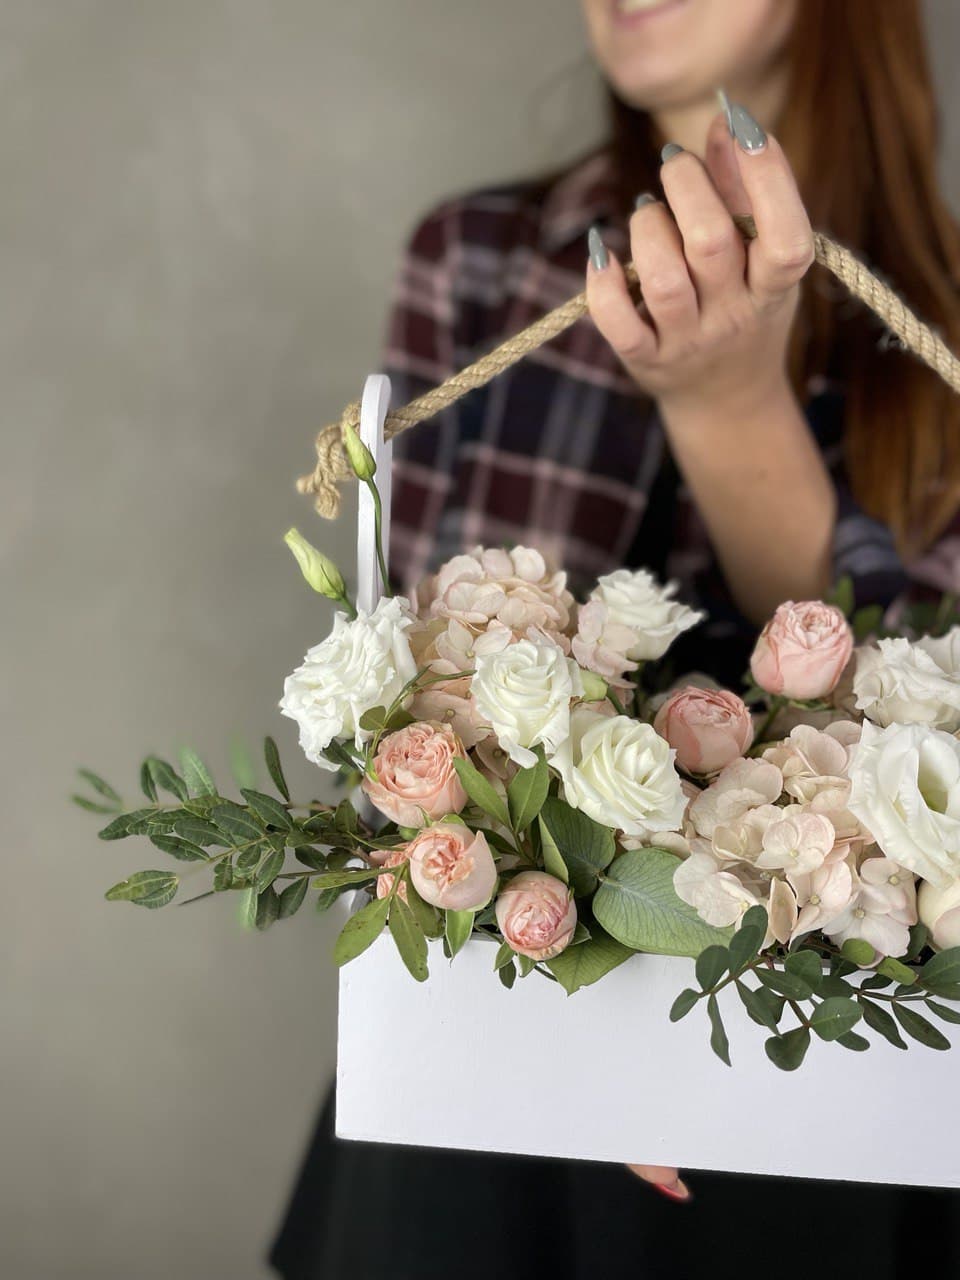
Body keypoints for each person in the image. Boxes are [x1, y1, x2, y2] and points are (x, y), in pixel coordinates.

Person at [269, 1, 960, 1275]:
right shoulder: (482, 259)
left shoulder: (941, 314)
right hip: (485, 1052)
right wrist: (582, 1029)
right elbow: (398, 711)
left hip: (812, 1097)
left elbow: (928, 763)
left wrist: (731, 407)